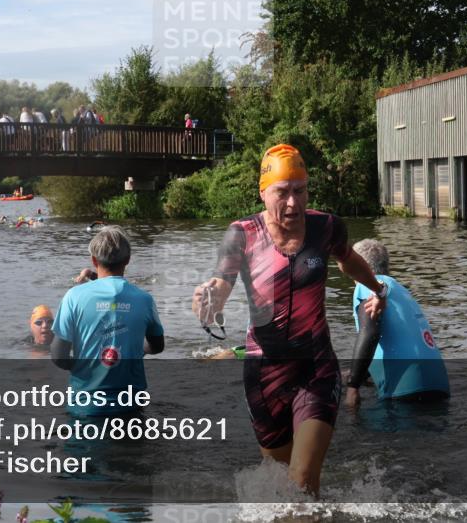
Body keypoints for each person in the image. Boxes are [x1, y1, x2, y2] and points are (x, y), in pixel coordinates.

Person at [191, 143, 387, 496]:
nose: (293, 203)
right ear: (263, 192)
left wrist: (377, 288)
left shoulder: (326, 227)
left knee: (302, 481)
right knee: (281, 485)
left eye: (300, 191)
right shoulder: (243, 234)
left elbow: (348, 260)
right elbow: (222, 283)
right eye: (282, 192)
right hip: (265, 377)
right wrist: (209, 299)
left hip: (316, 368)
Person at [52, 226, 165, 416]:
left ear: (94, 260)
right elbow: (157, 346)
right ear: (127, 260)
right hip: (131, 407)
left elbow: (58, 355)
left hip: (85, 407)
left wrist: (84, 366)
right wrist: (137, 350)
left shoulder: (73, 296)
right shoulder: (144, 299)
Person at [345, 239, 449, 408]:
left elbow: (369, 333)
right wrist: (357, 374)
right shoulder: (400, 289)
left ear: (359, 266)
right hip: (439, 384)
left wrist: (352, 386)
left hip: (405, 389)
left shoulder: (368, 285)